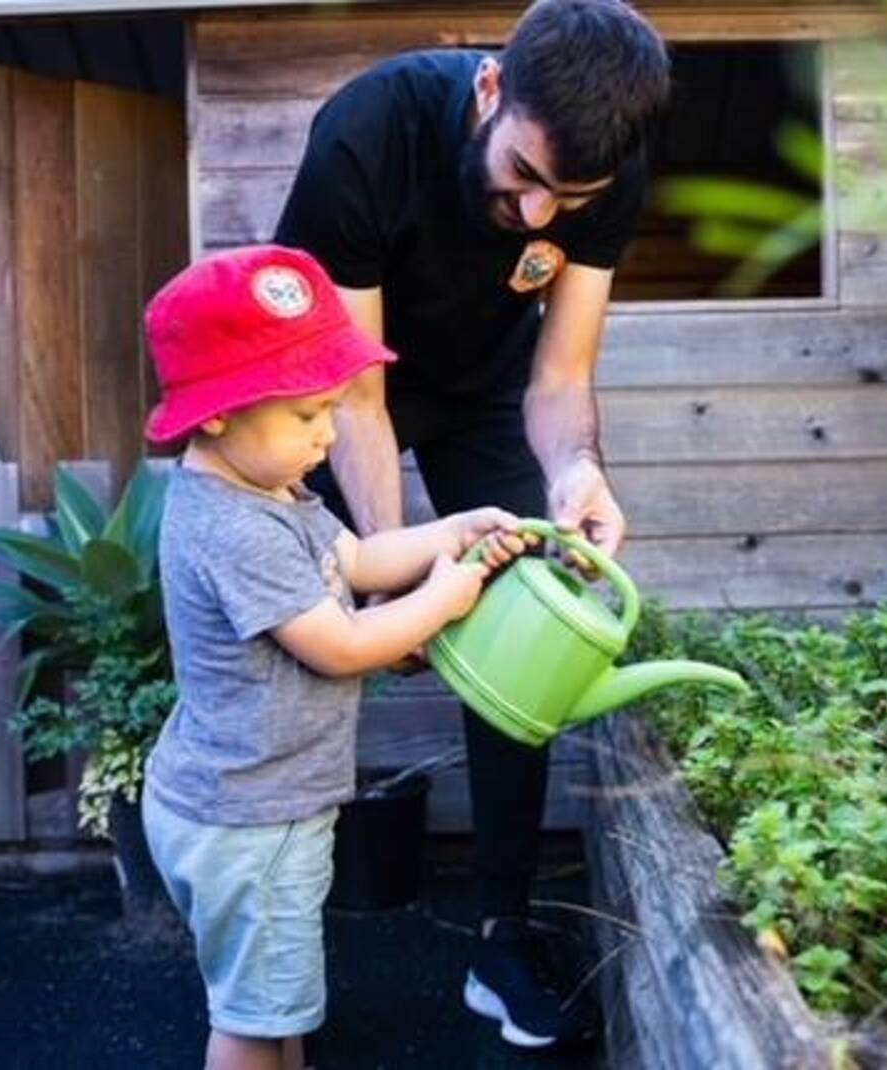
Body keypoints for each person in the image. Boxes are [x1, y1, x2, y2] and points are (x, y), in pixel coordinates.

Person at [273, 0, 670, 1046]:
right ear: (489, 92)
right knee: (301, 622)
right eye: (524, 179)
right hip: (327, 389)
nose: (541, 217)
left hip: (484, 388)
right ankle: (269, 918)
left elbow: (561, 371)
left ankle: (504, 929)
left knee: (520, 616)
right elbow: (357, 397)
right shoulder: (371, 132)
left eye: (566, 198)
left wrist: (575, 470)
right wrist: (394, 573)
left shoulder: (604, 173)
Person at [138, 245, 529, 1070]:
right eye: (308, 414)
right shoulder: (234, 526)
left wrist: (448, 534)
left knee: (275, 1010)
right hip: (250, 820)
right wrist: (445, 597)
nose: (328, 433)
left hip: (245, 802)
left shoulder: (268, 486)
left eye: (331, 408)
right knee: (249, 1021)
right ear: (217, 411)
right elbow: (342, 644)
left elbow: (350, 563)